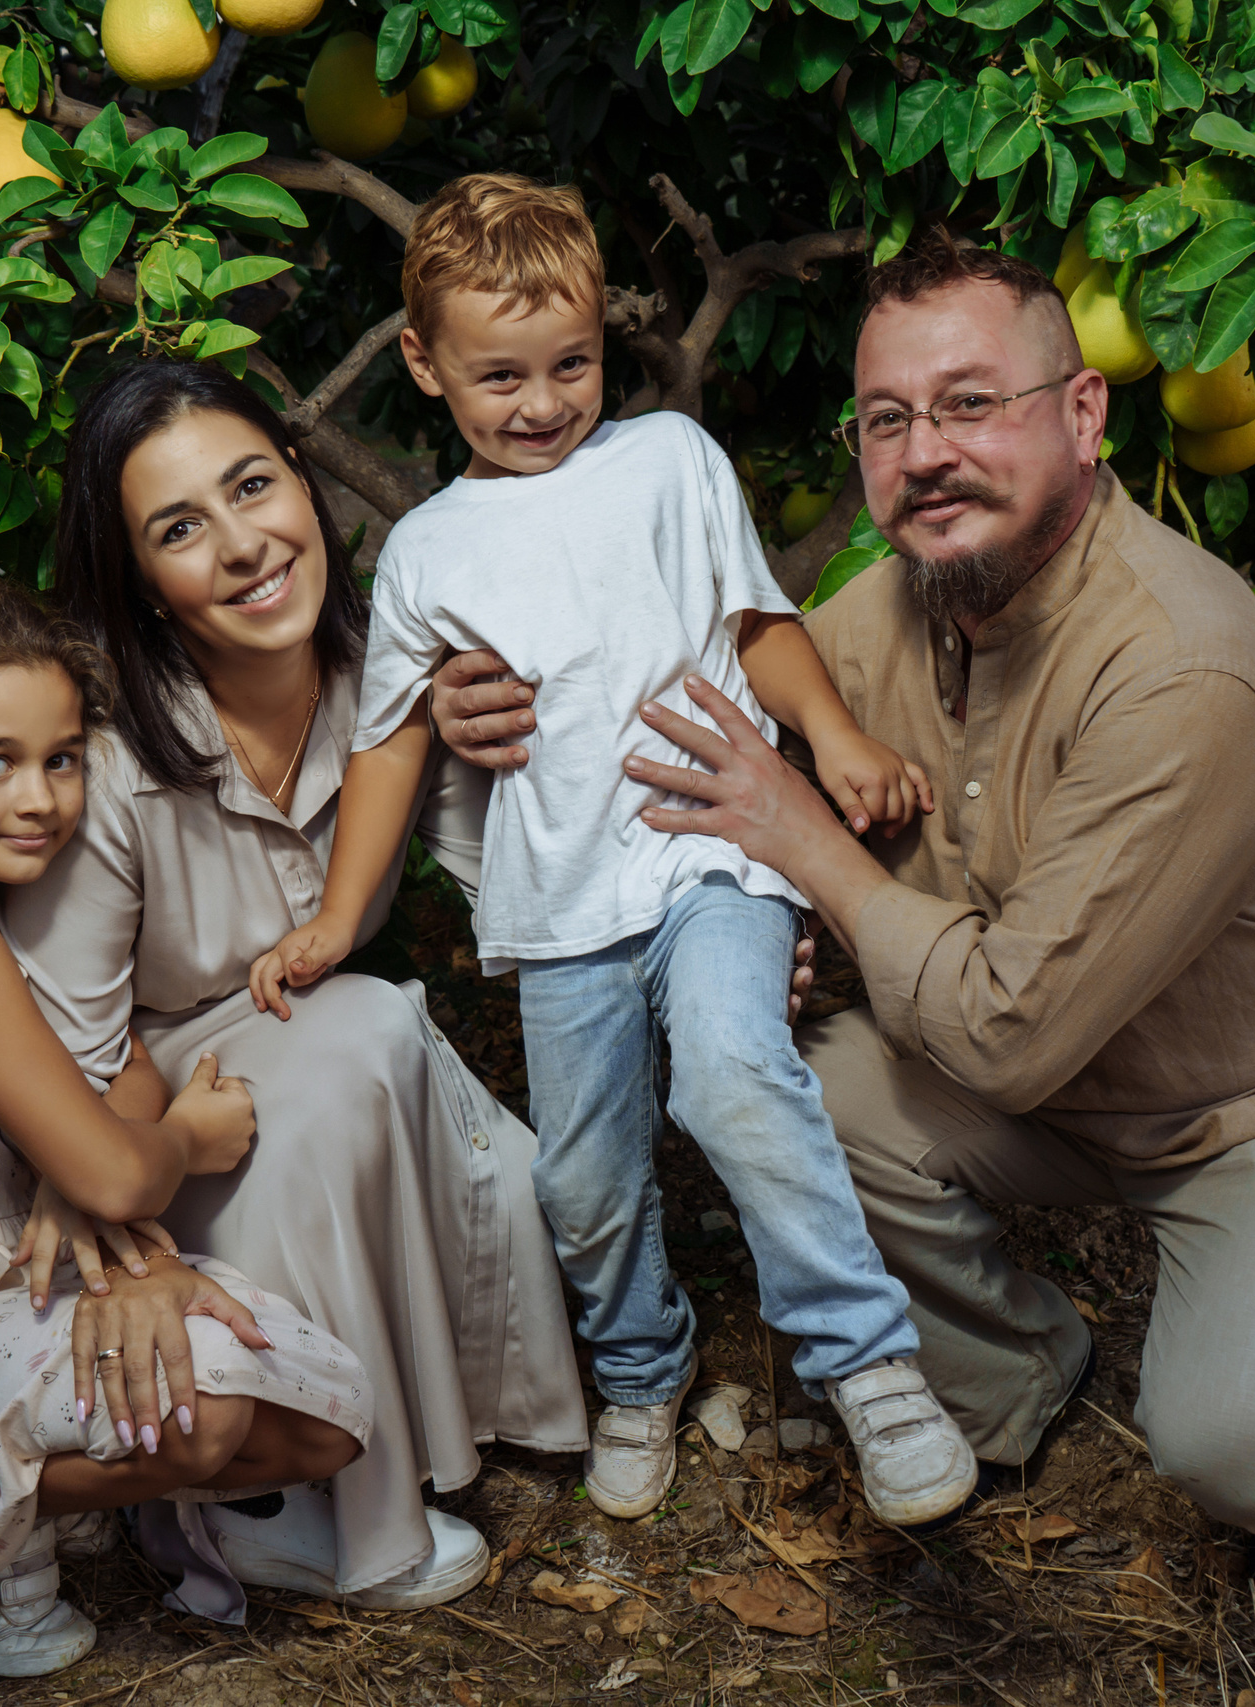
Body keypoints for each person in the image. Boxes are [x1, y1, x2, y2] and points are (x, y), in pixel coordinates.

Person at [433, 228, 1255, 1613]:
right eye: (890, 418)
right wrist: (471, 708)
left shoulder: (1182, 665)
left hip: (1250, 1098)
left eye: (973, 403)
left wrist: (804, 850)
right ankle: (1022, 1369)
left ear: (1084, 417)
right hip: (1024, 1078)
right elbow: (655, 692)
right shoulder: (887, 612)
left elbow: (1009, 1029)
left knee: (1251, 1448)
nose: (926, 452)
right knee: (778, 1081)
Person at [249, 173, 978, 1530]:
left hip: (711, 858)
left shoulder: (668, 462)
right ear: (422, 362)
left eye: (571, 364)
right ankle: (643, 1362)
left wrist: (835, 740)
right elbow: (393, 744)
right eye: (500, 376)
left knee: (733, 1071)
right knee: (580, 1175)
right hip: (563, 904)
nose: (541, 403)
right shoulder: (424, 551)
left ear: (606, 342)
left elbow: (760, 617)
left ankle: (868, 1361)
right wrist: (340, 918)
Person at [0, 359, 592, 1611]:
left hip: (313, 1066)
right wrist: (129, 1238)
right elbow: (61, 1038)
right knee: (355, 1039)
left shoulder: (391, 681)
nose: (241, 546)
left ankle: (400, 1443)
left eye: (252, 486)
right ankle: (266, 1512)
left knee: (417, 1081)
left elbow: (537, 890)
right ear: (141, 585)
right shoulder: (104, 756)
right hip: (129, 1099)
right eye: (178, 529)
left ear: (306, 490)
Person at [0, 575, 369, 1679]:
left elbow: (117, 1071)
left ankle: (48, 1476)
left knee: (320, 1421)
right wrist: (187, 1141)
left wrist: (81, 1171)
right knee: (207, 1419)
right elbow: (121, 1156)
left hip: (5, 1278)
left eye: (62, 759)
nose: (38, 798)